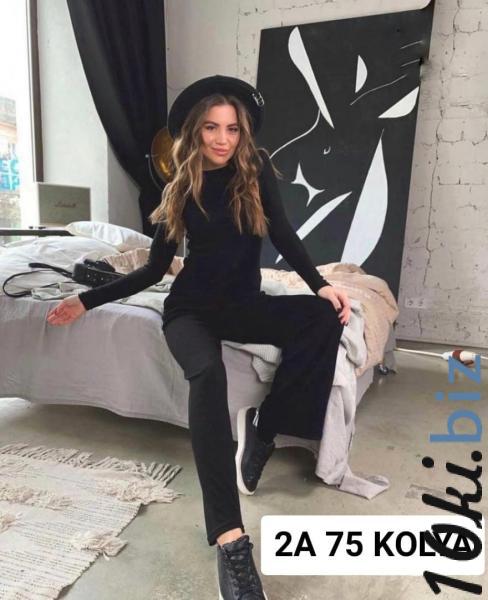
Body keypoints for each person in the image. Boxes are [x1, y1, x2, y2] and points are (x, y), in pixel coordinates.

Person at [46, 75, 351, 600]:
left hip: (244, 307)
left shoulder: (255, 171)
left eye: (232, 128)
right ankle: (230, 541)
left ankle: (265, 427)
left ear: (243, 133)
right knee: (207, 376)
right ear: (195, 131)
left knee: (324, 318)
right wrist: (86, 300)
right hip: (191, 313)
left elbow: (283, 232)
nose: (222, 139)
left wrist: (321, 285)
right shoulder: (180, 188)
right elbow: (153, 270)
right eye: (211, 127)